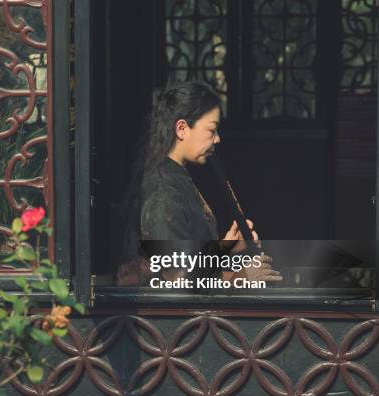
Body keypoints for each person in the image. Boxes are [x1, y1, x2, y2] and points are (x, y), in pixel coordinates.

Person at [116, 82, 282, 288]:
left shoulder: (176, 175)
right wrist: (239, 277)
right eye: (211, 130)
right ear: (182, 129)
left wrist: (225, 248)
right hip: (170, 319)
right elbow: (177, 277)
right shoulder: (163, 191)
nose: (218, 139)